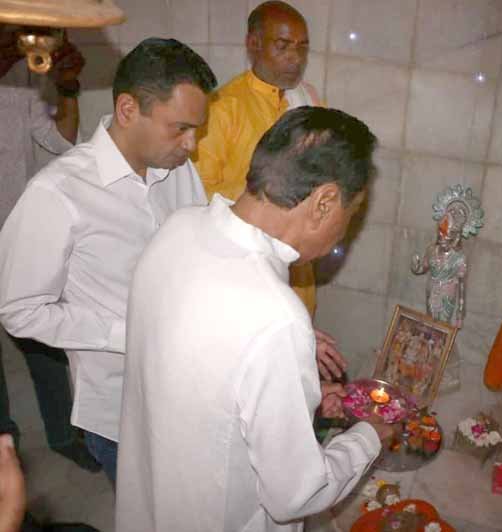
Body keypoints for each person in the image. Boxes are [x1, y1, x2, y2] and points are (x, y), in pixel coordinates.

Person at [115, 106, 393, 532]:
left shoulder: (177, 228)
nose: (344, 232)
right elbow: (296, 495)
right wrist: (368, 437)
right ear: (324, 203)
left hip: (151, 503)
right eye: (350, 214)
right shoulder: (277, 316)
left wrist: (297, 397)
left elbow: (203, 368)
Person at [0, 38, 216, 485]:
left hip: (188, 388)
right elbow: (18, 310)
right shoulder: (58, 193)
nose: (192, 145)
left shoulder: (179, 170)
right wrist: (125, 333)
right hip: (120, 412)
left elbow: (200, 251)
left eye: (196, 129)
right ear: (127, 109)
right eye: (180, 128)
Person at [192, 1, 344, 381]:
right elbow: (199, 197)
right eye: (283, 46)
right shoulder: (223, 108)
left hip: (297, 268)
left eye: (302, 47)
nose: (295, 58)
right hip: (243, 272)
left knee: (294, 368)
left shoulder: (308, 101)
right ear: (253, 43)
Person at [0, 24, 99, 472]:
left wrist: (67, 86)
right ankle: (6, 444)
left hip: (13, 229)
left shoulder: (20, 72)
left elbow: (60, 139)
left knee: (41, 341)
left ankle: (62, 434)